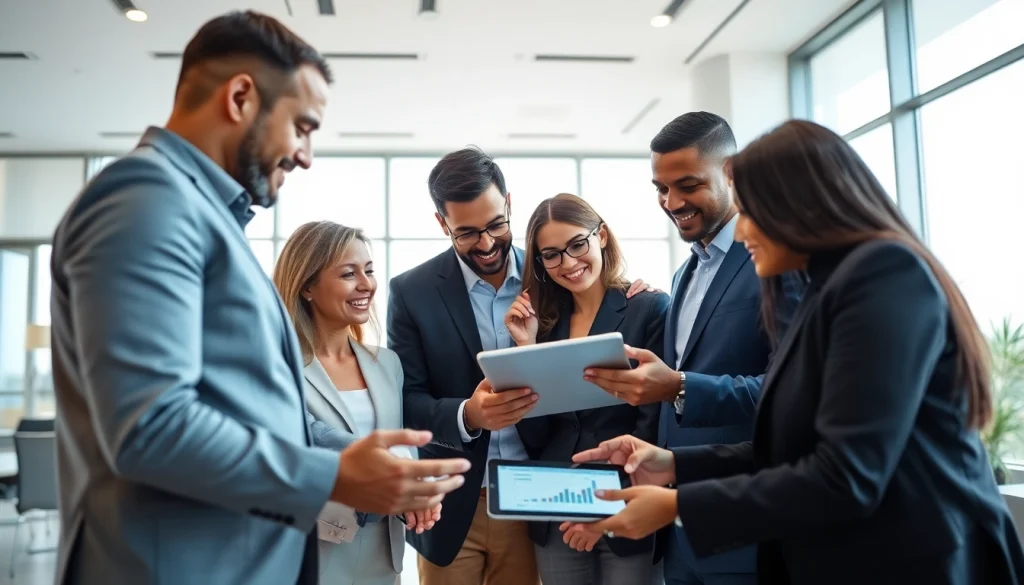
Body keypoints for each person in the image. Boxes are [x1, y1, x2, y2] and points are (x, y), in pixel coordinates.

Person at [49, 12, 468, 585]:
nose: (305, 154)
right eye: (302, 125)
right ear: (241, 96)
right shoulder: (145, 200)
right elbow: (151, 427)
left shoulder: (203, 216)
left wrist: (365, 465)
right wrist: (331, 478)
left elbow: (271, 414)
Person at [562, 119, 1024, 585]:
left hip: (917, 558)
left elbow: (845, 475)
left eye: (751, 210)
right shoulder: (826, 287)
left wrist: (681, 504)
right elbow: (796, 442)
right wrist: (677, 464)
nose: (741, 232)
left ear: (801, 207)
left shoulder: (884, 275)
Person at [387, 147, 655, 585]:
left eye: (496, 225)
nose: (488, 243)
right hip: (452, 503)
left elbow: (599, 301)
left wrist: (628, 289)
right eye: (467, 233)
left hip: (536, 499)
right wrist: (468, 415)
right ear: (442, 224)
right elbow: (408, 401)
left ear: (509, 204)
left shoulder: (550, 274)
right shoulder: (412, 292)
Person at [577, 112, 800, 585]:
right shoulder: (684, 274)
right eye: (660, 188)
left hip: (746, 528)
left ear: (732, 172)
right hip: (679, 536)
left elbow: (790, 395)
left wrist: (679, 386)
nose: (671, 201)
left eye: (688, 185)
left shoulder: (775, 260)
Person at [504, 193, 669, 585]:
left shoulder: (648, 307)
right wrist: (525, 350)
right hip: (557, 507)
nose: (569, 263)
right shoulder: (544, 325)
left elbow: (654, 422)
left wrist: (601, 512)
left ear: (603, 237)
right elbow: (536, 435)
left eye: (578, 244)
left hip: (626, 501)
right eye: (552, 254)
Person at [274, 221, 444, 584]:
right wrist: (393, 474)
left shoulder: (387, 364)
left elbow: (399, 444)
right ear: (307, 287)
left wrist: (417, 491)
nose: (366, 284)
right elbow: (300, 439)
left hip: (382, 551)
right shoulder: (277, 365)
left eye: (368, 270)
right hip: (310, 548)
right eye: (348, 274)